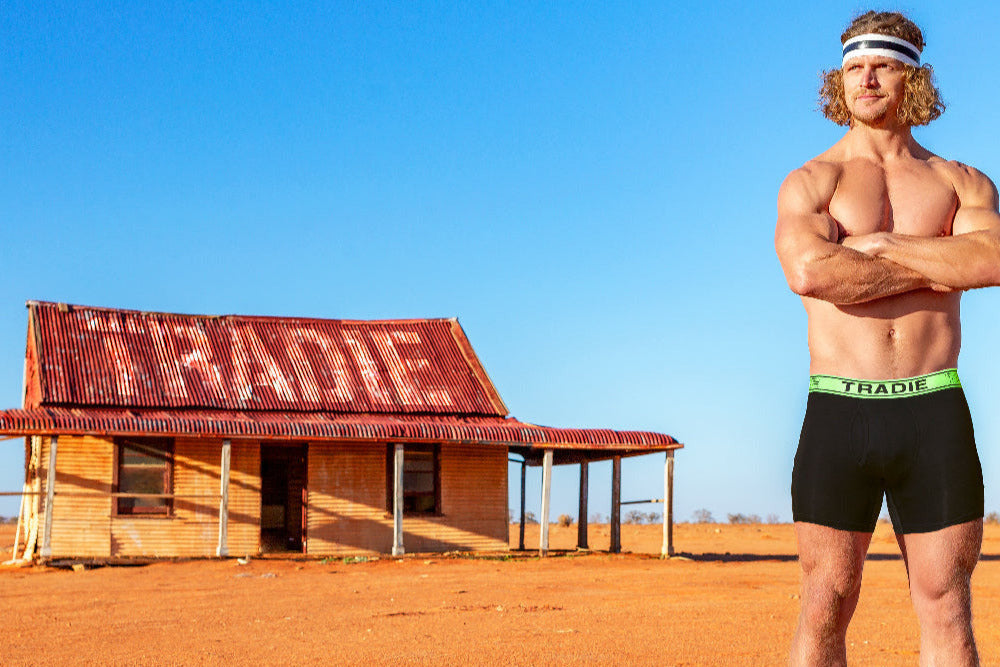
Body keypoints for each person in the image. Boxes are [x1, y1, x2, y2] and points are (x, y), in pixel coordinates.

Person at [775, 10, 1000, 666]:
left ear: (912, 77)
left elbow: (990, 261)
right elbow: (811, 271)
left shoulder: (962, 181)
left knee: (945, 602)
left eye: (880, 65)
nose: (864, 78)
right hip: (839, 411)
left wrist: (877, 248)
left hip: (933, 410)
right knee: (825, 598)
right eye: (852, 68)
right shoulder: (812, 180)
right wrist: (936, 259)